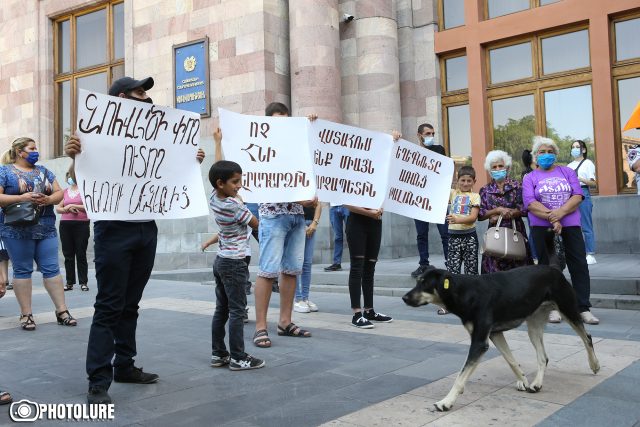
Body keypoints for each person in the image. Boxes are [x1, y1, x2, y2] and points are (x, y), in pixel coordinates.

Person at [66, 76, 206, 405]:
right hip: (113, 230)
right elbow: (82, 175)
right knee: (110, 305)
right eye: (140, 92)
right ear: (120, 98)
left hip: (146, 227)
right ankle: (98, 381)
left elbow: (166, 170)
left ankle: (124, 365)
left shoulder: (157, 133)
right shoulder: (95, 133)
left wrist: (190, 159)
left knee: (131, 303)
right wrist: (73, 154)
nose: (146, 98)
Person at [251, 102, 317, 348]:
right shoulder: (262, 148)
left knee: (291, 269)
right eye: (278, 120)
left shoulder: (295, 147)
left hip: (297, 215)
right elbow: (266, 182)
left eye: (287, 120)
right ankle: (260, 327)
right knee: (267, 270)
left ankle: (285, 322)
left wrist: (311, 126)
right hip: (273, 214)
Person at [0, 137, 77, 330]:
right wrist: (21, 197)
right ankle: (26, 315)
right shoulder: (4, 171)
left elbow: (60, 192)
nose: (36, 151)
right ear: (19, 151)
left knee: (52, 269)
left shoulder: (43, 171)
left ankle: (62, 311)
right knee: (22, 270)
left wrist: (49, 199)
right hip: (16, 229)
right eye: (32, 148)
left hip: (46, 227)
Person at [522, 136, 599, 325]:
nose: (546, 155)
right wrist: (551, 217)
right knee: (547, 267)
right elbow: (530, 203)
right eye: (542, 152)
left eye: (550, 152)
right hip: (541, 225)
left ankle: (583, 308)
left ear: (556, 154)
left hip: (570, 223)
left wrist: (559, 213)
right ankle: (551, 307)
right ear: (535, 155)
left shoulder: (567, 172)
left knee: (578, 263)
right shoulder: (529, 177)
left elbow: (577, 195)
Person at [208, 160, 264, 370]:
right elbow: (256, 223)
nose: (239, 185)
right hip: (234, 263)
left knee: (221, 309)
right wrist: (240, 201)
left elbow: (217, 170)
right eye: (235, 181)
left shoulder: (214, 197)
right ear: (220, 183)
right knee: (238, 311)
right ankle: (238, 357)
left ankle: (218, 354)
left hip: (221, 260)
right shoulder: (233, 206)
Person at [346, 131, 400, 329]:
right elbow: (347, 204)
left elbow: (392, 161)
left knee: (370, 267)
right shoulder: (350, 175)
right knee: (357, 267)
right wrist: (369, 213)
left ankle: (369, 310)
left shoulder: (379, 173)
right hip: (357, 224)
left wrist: (393, 140)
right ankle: (356, 313)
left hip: (375, 223)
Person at [479, 150, 531, 273]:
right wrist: (496, 210)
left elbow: (525, 208)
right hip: (495, 237)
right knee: (494, 274)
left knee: (519, 272)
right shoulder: (485, 190)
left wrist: (510, 213)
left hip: (515, 232)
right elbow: (480, 214)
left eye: (500, 166)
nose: (497, 169)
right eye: (494, 167)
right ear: (490, 170)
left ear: (506, 167)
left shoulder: (517, 186)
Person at [411, 123, 449, 277]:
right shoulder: (411, 152)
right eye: (427, 134)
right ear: (419, 135)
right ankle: (423, 264)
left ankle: (450, 262)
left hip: (437, 198)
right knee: (421, 234)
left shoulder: (438, 149)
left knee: (445, 233)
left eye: (432, 133)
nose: (430, 136)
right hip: (419, 199)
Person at [56, 164, 90, 291]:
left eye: (71, 175)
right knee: (68, 254)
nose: (69, 177)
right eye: (68, 175)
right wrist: (67, 208)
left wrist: (72, 206)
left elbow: (90, 206)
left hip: (81, 224)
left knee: (81, 253)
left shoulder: (85, 189)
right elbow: (58, 208)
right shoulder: (65, 192)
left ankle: (83, 282)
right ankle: (69, 282)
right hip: (65, 225)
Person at [446, 165, 480, 280]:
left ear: (474, 181)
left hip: (469, 237)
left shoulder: (475, 196)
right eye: (463, 180)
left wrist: (457, 220)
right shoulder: (452, 193)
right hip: (453, 237)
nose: (465, 183)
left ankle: (471, 295)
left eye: (469, 181)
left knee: (471, 270)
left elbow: (473, 217)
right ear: (457, 180)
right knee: (452, 270)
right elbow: (439, 186)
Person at [567, 140, 597, 265]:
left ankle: (590, 253)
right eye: (573, 147)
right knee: (573, 225)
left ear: (583, 150)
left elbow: (594, 183)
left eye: (577, 147)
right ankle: (578, 252)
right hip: (570, 195)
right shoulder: (568, 166)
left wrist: (579, 178)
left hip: (583, 192)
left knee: (586, 225)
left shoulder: (588, 163)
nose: (575, 149)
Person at [294, 204, 322, 313]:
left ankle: (305, 298)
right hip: (297, 221)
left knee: (307, 263)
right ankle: (298, 298)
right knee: (296, 262)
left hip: (311, 223)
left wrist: (315, 223)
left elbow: (319, 203)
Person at [324, 205, 349, 271]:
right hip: (334, 206)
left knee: (351, 235)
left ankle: (357, 262)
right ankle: (337, 263)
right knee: (337, 237)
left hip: (347, 205)